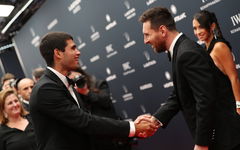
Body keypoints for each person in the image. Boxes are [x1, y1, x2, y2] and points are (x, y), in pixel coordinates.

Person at [29, 32, 159, 150]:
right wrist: (132, 128)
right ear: (58, 53)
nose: (78, 52)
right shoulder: (46, 89)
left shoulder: (63, 83)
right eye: (73, 48)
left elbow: (87, 123)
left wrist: (129, 130)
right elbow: (85, 122)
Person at [137, 6, 240, 150]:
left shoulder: (186, 53)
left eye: (147, 34)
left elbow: (205, 100)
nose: (145, 41)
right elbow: (180, 93)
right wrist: (156, 119)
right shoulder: (180, 50)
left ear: (162, 30)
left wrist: (202, 143)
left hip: (224, 139)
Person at [68, 68, 132, 150]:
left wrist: (86, 92)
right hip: (93, 138)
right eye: (74, 80)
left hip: (110, 133)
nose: (78, 81)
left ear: (84, 76)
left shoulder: (99, 84)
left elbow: (105, 102)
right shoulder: (75, 95)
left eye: (79, 78)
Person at [192, 10, 240, 115]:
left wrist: (238, 105)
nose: (197, 32)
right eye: (195, 28)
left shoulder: (219, 46)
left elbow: (234, 77)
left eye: (201, 27)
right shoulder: (205, 49)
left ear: (212, 26)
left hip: (230, 106)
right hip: (220, 108)